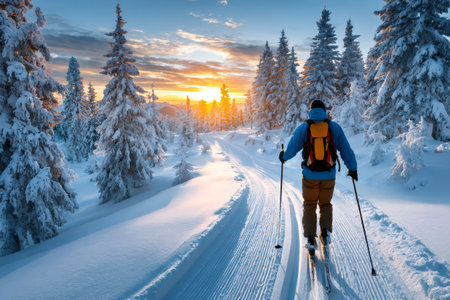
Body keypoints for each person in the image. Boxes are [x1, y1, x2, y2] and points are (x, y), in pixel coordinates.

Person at [279, 99, 357, 254]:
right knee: (325, 204)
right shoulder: (334, 128)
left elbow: (293, 147)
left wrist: (284, 156)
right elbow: (346, 150)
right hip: (329, 176)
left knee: (309, 205)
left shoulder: (304, 128)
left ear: (311, 111)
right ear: (324, 111)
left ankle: (310, 239)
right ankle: (326, 233)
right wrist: (352, 168)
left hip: (309, 175)